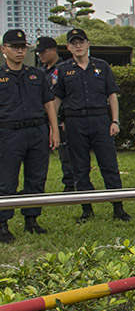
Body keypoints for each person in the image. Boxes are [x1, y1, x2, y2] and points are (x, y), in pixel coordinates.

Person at [49, 27, 129, 222]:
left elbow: (112, 95)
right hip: (75, 122)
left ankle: (118, 208)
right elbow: (56, 100)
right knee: (80, 168)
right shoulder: (63, 70)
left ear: (87, 44)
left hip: (100, 120)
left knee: (109, 165)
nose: (78, 46)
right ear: (68, 47)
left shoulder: (102, 66)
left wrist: (115, 121)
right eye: (74, 43)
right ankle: (87, 209)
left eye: (81, 42)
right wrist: (54, 127)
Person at [0, 29, 59, 242]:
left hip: (36, 131)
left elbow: (48, 103)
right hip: (8, 133)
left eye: (22, 47)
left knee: (36, 178)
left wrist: (54, 130)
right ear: (3, 49)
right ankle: (3, 223)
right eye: (14, 47)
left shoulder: (36, 75)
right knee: (6, 180)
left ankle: (31, 219)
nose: (19, 51)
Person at [35, 35, 74, 193]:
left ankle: (70, 183)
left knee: (66, 153)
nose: (40, 55)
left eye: (43, 52)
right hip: (44, 118)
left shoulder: (64, 68)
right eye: (38, 53)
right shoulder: (41, 71)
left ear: (53, 50)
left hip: (62, 116)